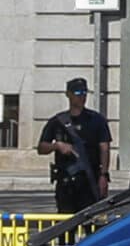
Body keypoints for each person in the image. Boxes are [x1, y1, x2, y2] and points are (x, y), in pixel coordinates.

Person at [37, 78, 112, 214]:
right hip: (66, 182)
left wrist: (104, 176)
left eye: (84, 92)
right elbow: (41, 148)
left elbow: (104, 148)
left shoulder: (96, 120)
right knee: (66, 226)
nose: (82, 96)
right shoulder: (58, 121)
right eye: (77, 92)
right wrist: (57, 146)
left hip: (89, 180)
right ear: (68, 94)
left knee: (93, 224)